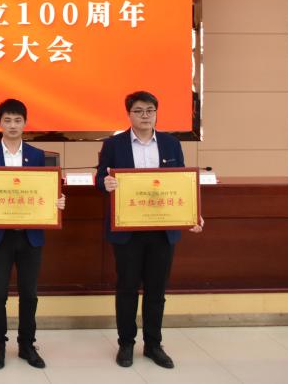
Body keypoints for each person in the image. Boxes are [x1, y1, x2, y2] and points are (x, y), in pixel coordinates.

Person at [96, 91, 203, 370]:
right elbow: (100, 177)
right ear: (128, 114)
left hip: (162, 230)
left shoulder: (170, 143)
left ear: (156, 113)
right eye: (139, 111)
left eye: (150, 110)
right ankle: (126, 344)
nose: (145, 116)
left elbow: (181, 182)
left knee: (157, 289)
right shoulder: (113, 144)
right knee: (127, 288)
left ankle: (154, 344)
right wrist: (105, 182)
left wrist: (192, 214)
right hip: (127, 230)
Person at [0, 99, 66, 370]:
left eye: (17, 120)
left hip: (30, 234)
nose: (12, 125)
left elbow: (46, 189)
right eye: (7, 120)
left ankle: (26, 345)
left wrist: (57, 201)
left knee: (29, 294)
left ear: (25, 123)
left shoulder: (38, 155)